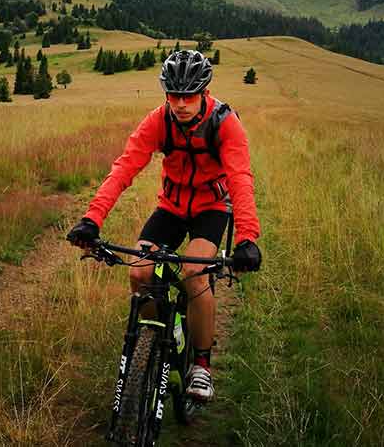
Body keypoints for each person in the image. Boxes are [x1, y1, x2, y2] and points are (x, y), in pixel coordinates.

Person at [66, 49, 262, 402]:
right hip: (170, 207)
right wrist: (91, 219)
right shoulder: (159, 121)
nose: (181, 104)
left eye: (189, 95)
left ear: (204, 92)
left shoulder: (224, 123)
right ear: (165, 93)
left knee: (194, 272)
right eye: (174, 95)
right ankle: (154, 339)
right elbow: (124, 168)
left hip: (211, 208)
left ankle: (201, 365)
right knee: (140, 273)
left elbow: (240, 180)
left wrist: (247, 238)